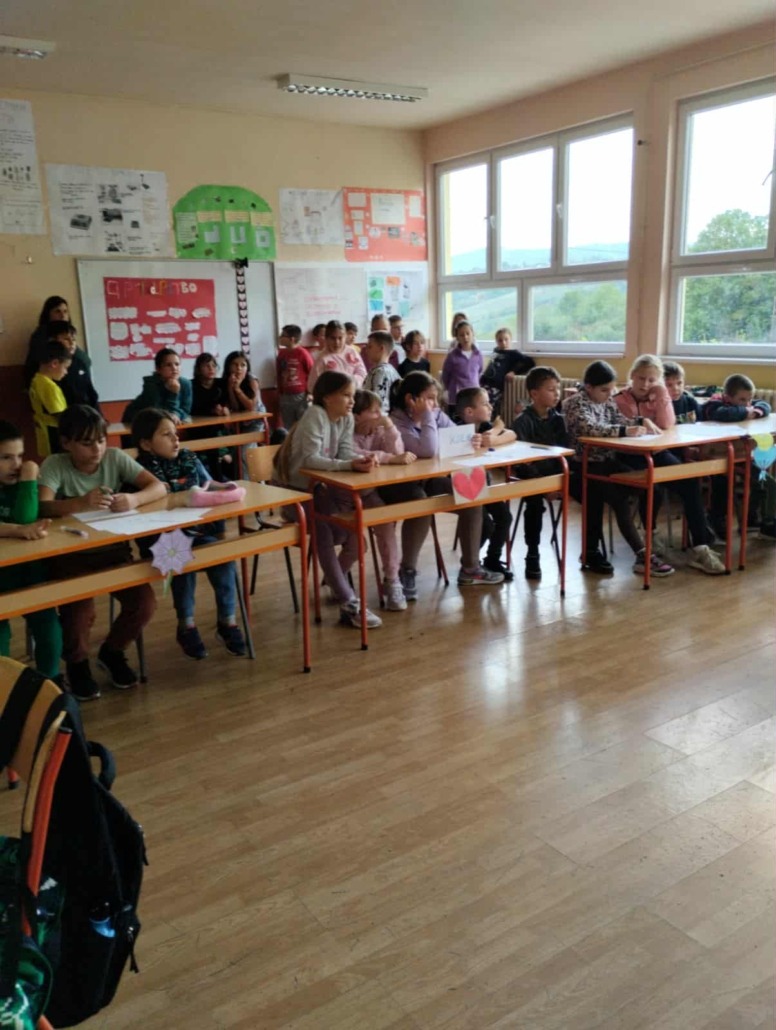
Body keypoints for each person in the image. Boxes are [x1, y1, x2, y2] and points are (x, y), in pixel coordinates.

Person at [38, 404, 166, 700]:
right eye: (86, 443)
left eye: (100, 440)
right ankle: (77, 663)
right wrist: (79, 503)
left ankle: (112, 651)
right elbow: (43, 507)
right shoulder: (55, 464)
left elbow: (158, 487)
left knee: (144, 602)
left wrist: (134, 500)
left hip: (112, 550)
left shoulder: (114, 457)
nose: (96, 449)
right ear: (66, 443)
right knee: (79, 612)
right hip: (70, 557)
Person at [132, 408, 247, 660]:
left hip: (196, 531)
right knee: (180, 558)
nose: (175, 439)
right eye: (166, 435)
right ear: (146, 444)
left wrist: (226, 487)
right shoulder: (140, 469)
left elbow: (208, 484)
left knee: (223, 557)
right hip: (159, 538)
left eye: (175, 433)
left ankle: (227, 621)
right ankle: (186, 625)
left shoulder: (188, 458)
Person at [273, 371, 383, 629]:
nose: (352, 401)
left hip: (320, 489)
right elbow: (310, 460)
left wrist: (360, 460)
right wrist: (349, 465)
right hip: (293, 492)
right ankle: (348, 601)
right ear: (327, 397)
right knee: (322, 528)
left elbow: (344, 453)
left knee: (355, 538)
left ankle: (336, 581)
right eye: (346, 395)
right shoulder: (315, 415)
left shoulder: (345, 418)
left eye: (352, 395)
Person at [388, 371, 504, 593]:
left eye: (435, 399)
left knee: (471, 494)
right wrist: (428, 417)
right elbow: (428, 449)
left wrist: (471, 439)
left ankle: (470, 569)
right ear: (410, 399)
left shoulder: (436, 413)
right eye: (429, 399)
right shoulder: (396, 422)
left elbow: (457, 438)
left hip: (429, 479)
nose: (434, 404)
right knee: (421, 504)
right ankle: (407, 570)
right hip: (401, 485)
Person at [614, 355, 725, 574]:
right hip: (629, 455)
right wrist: (643, 420)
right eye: (641, 378)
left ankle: (700, 547)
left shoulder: (658, 395)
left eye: (652, 380)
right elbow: (628, 425)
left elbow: (666, 424)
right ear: (632, 376)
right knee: (652, 485)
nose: (645, 384)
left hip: (657, 452)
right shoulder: (620, 399)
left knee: (690, 482)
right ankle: (651, 534)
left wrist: (662, 393)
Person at [563, 361, 675, 578]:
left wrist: (641, 421)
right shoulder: (574, 403)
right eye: (604, 390)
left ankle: (649, 535)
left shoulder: (607, 401)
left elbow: (620, 420)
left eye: (611, 389)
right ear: (589, 387)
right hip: (584, 464)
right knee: (619, 499)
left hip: (606, 461)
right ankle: (642, 555)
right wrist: (625, 430)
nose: (609, 395)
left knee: (649, 485)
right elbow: (589, 428)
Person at [0, 421, 62, 681]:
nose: (16, 465)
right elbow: (22, 526)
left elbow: (26, 517)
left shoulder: (23, 483)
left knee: (48, 627)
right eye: (6, 458)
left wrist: (27, 481)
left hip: (28, 570)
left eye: (20, 456)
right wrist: (16, 530)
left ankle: (50, 683)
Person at [352, 389, 417, 611]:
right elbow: (357, 454)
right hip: (346, 495)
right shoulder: (346, 432)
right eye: (374, 411)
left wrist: (389, 427)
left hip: (371, 492)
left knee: (385, 523)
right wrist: (390, 459)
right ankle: (337, 576)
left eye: (380, 410)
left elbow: (397, 452)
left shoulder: (379, 430)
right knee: (352, 541)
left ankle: (392, 580)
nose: (379, 415)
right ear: (357, 416)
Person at [512, 367, 569, 581]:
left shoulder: (559, 420)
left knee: (591, 490)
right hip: (532, 477)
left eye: (558, 389)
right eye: (551, 390)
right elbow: (522, 462)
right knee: (534, 504)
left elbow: (565, 452)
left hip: (557, 475)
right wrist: (545, 487)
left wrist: (561, 482)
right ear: (534, 394)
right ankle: (532, 552)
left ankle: (591, 550)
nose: (557, 394)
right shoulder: (522, 421)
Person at [455, 387, 516, 580]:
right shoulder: (455, 430)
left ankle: (492, 559)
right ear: (469, 412)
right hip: (464, 489)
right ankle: (469, 562)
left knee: (504, 517)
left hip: (483, 486)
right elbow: (494, 432)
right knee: (486, 525)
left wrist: (495, 433)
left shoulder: (483, 426)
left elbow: (511, 433)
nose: (490, 407)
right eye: (485, 404)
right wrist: (496, 430)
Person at [704, 373, 774, 541]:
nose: (748, 404)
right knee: (723, 486)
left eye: (749, 399)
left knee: (764, 482)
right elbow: (722, 414)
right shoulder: (714, 404)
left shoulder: (747, 405)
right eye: (742, 400)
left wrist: (755, 411)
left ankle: (754, 520)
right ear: (727, 397)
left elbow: (764, 405)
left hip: (741, 455)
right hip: (716, 456)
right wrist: (746, 412)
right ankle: (716, 521)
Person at [27, 319, 100, 410]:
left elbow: (91, 392)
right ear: (53, 340)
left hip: (87, 413)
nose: (72, 343)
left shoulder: (79, 362)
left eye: (73, 339)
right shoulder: (46, 369)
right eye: (66, 339)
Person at [122, 347, 192, 424]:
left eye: (177, 364)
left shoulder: (186, 384)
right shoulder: (151, 384)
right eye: (168, 365)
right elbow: (157, 412)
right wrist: (173, 394)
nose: (174, 368)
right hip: (136, 420)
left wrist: (176, 414)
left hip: (160, 423)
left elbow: (185, 409)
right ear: (158, 369)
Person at [480, 326, 535, 419]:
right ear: (496, 341)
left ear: (510, 340)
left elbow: (530, 362)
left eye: (506, 339)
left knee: (488, 405)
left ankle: (489, 423)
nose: (503, 342)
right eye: (500, 340)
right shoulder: (496, 351)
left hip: (496, 386)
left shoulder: (513, 353)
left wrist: (513, 372)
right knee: (479, 402)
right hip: (485, 382)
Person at [29, 339, 71, 458]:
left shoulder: (37, 380)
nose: (66, 372)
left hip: (43, 431)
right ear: (54, 363)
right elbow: (59, 414)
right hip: (53, 434)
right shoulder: (49, 386)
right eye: (65, 367)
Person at [307, 319, 367, 393]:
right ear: (326, 338)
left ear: (345, 337)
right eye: (333, 338)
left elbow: (362, 372)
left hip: (354, 392)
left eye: (340, 338)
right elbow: (312, 386)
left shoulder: (352, 352)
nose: (337, 342)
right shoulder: (322, 359)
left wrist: (350, 383)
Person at [441, 320, 483, 415]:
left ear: (473, 334)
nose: (465, 337)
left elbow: (479, 371)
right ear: (457, 338)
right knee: (457, 420)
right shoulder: (452, 356)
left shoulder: (478, 354)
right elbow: (445, 375)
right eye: (461, 335)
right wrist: (451, 388)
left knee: (472, 420)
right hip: (456, 397)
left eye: (468, 333)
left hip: (473, 395)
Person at [276, 324, 313, 429]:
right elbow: (279, 373)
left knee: (303, 425)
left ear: (292, 339)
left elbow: (312, 372)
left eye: (283, 335)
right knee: (289, 427)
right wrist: (280, 392)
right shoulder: (281, 354)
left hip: (301, 395)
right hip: (285, 396)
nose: (280, 337)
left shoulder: (303, 353)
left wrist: (310, 392)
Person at [363, 331, 400, 413]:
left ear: (381, 348)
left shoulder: (380, 372)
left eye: (370, 347)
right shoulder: (392, 370)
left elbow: (380, 404)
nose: (366, 350)